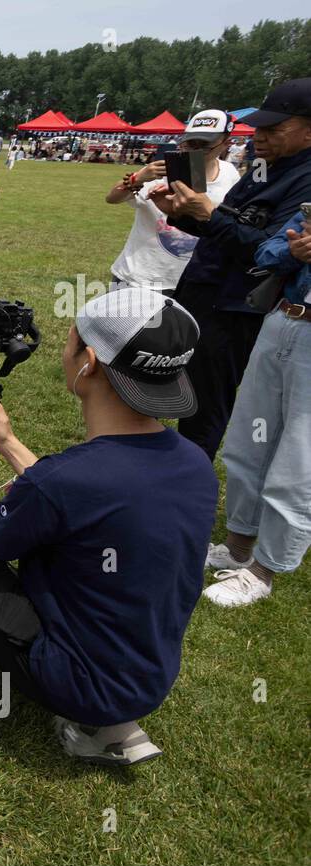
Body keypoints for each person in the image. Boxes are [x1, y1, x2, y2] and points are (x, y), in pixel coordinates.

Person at [0, 288, 218, 764]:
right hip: (146, 682)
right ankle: (108, 729)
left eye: (70, 345)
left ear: (88, 362)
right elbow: (85, 501)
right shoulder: (194, 466)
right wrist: (8, 445)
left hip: (73, 681)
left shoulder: (70, 478)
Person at [151, 78, 311, 460]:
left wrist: (207, 214)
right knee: (174, 387)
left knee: (205, 405)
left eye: (275, 128)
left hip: (235, 310)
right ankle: (165, 469)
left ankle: (187, 485)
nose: (261, 136)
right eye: (259, 127)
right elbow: (222, 228)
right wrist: (183, 214)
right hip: (201, 293)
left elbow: (267, 252)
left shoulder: (305, 180)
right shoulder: (265, 167)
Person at [202, 209, 311, 607]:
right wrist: (295, 252)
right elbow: (267, 251)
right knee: (249, 439)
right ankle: (237, 547)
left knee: (298, 460)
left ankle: (264, 570)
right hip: (283, 318)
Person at [106, 110, 241, 296]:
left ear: (226, 143)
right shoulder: (161, 171)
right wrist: (137, 179)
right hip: (141, 276)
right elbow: (112, 198)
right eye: (190, 143)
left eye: (204, 145)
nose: (194, 150)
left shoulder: (229, 173)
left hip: (190, 280)